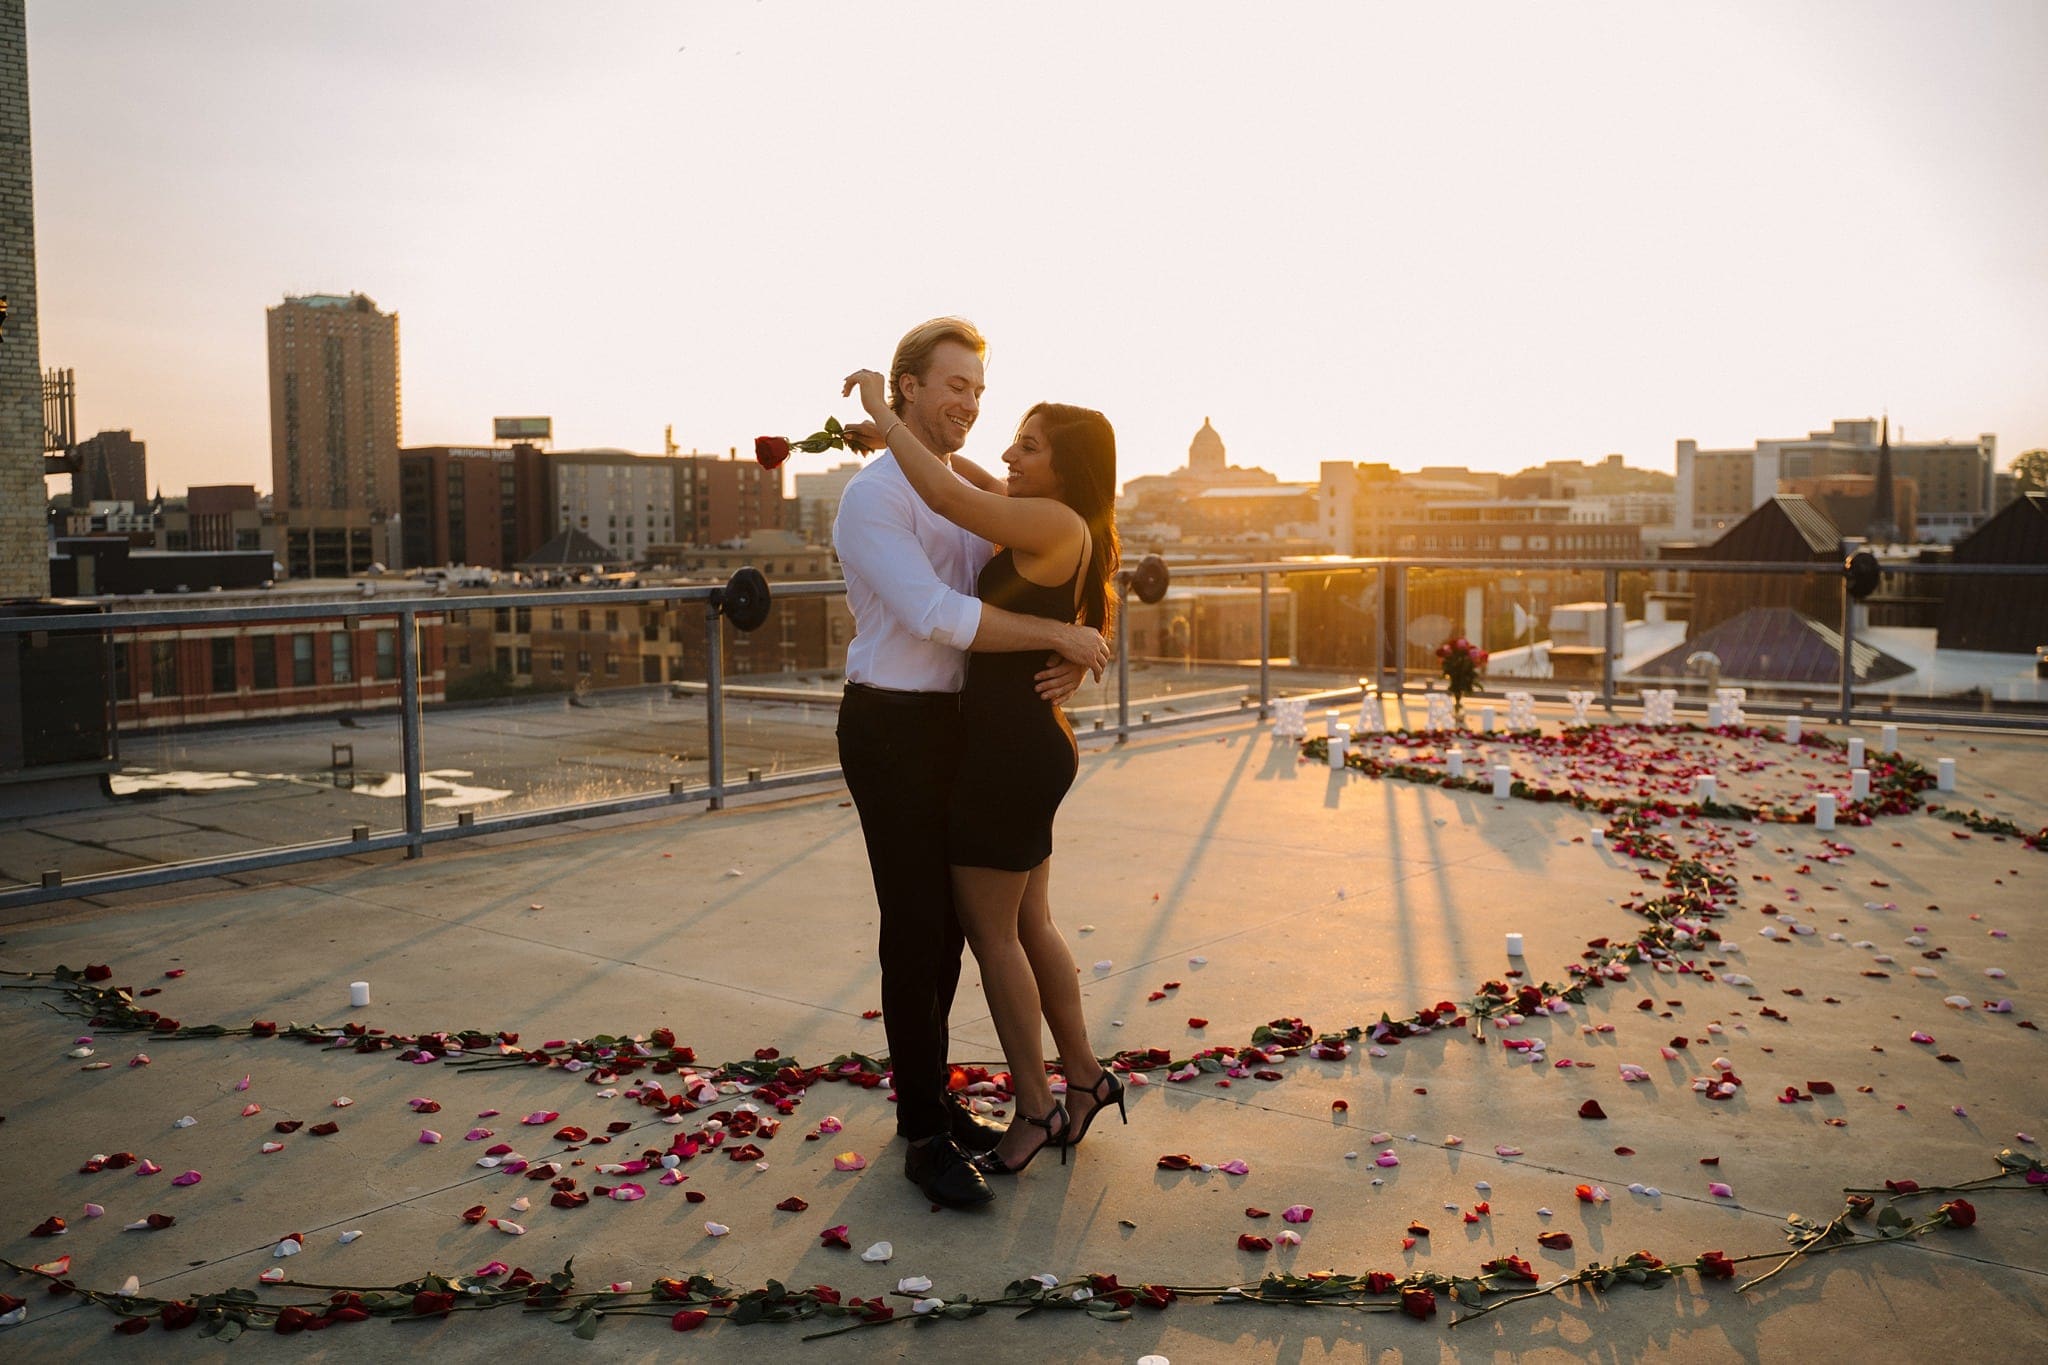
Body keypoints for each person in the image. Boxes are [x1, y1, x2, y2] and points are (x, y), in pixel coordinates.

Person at [832, 317, 1110, 1209]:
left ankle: (965, 1102)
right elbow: (934, 615)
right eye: (955, 386)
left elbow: (1031, 542)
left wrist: (1087, 638)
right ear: (908, 384)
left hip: (969, 733)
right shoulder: (876, 497)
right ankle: (923, 1134)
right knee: (920, 931)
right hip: (893, 728)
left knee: (968, 929)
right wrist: (1064, 633)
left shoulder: (962, 488)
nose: (971, 406)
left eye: (981, 393)